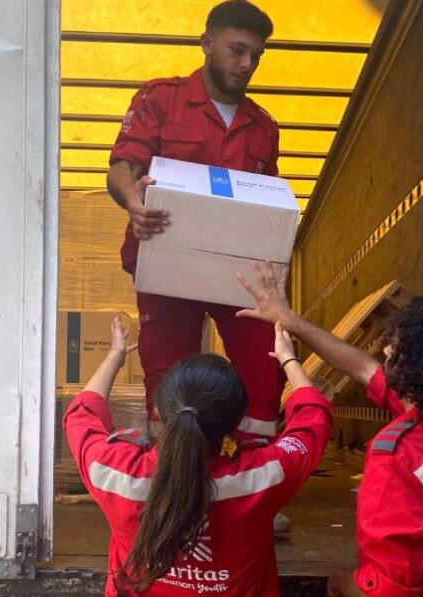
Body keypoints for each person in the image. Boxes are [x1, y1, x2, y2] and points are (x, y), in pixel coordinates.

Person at [238, 263, 423, 597]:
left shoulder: (398, 459)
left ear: (421, 368)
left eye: (396, 348)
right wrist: (291, 324)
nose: (385, 350)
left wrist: (341, 584)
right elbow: (363, 367)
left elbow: (386, 591)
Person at [105, 0, 283, 444]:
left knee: (264, 366)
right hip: (167, 260)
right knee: (167, 370)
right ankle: (175, 485)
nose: (246, 64)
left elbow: (270, 204)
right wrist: (133, 200)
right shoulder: (160, 99)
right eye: (236, 50)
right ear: (206, 43)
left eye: (256, 56)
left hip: (234, 270)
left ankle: (249, 486)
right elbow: (122, 166)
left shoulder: (264, 127)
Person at [63, 316, 332, 596]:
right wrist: (288, 359)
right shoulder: (264, 477)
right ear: (238, 421)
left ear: (157, 409)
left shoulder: (114, 473)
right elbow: (312, 418)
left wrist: (115, 358)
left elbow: (82, 414)